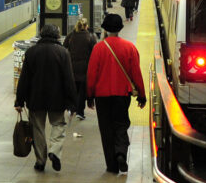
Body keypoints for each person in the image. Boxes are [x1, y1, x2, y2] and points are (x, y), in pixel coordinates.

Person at [86, 13, 146, 174]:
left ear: (105, 28)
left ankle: (111, 165)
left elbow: (92, 74)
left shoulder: (98, 48)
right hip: (122, 94)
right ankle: (121, 152)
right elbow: (136, 74)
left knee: (106, 129)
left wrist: (89, 95)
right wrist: (142, 95)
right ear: (120, 28)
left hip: (102, 96)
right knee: (121, 125)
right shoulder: (129, 47)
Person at [14, 24, 76, 172]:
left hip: (36, 99)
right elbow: (69, 79)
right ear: (57, 35)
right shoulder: (63, 52)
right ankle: (54, 151)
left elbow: (24, 79)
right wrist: (73, 103)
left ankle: (40, 161)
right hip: (57, 99)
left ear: (41, 34)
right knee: (58, 125)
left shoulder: (31, 52)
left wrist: (19, 101)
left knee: (38, 129)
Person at [62, 16, 97, 120]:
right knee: (82, 91)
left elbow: (64, 47)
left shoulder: (71, 36)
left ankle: (71, 109)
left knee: (73, 88)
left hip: (72, 66)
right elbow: (95, 51)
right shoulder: (90, 37)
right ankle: (80, 112)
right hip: (85, 67)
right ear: (86, 26)